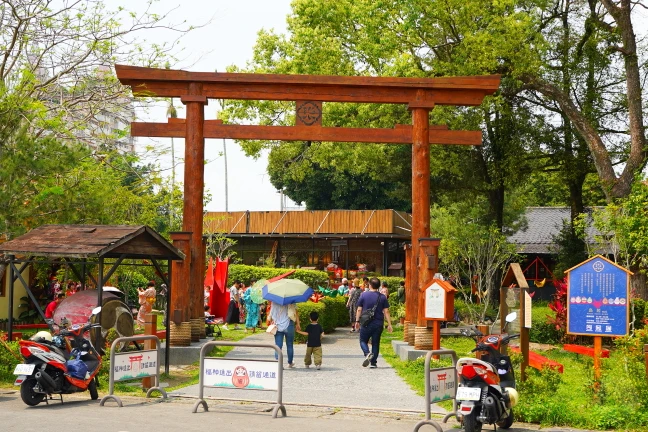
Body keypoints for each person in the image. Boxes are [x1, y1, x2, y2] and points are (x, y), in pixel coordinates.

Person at [354, 277, 393, 368]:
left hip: (366, 322)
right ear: (379, 286)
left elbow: (359, 309)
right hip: (378, 323)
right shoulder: (382, 297)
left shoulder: (364, 295)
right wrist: (389, 324)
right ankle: (373, 362)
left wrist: (357, 321)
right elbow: (386, 311)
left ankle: (367, 353)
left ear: (369, 285)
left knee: (363, 340)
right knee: (375, 342)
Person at [269, 301, 301, 368]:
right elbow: (296, 313)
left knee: (278, 346)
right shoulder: (291, 301)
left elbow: (271, 315)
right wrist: (298, 324)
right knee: (289, 345)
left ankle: (279, 363)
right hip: (289, 324)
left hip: (278, 326)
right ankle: (290, 362)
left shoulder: (274, 301)